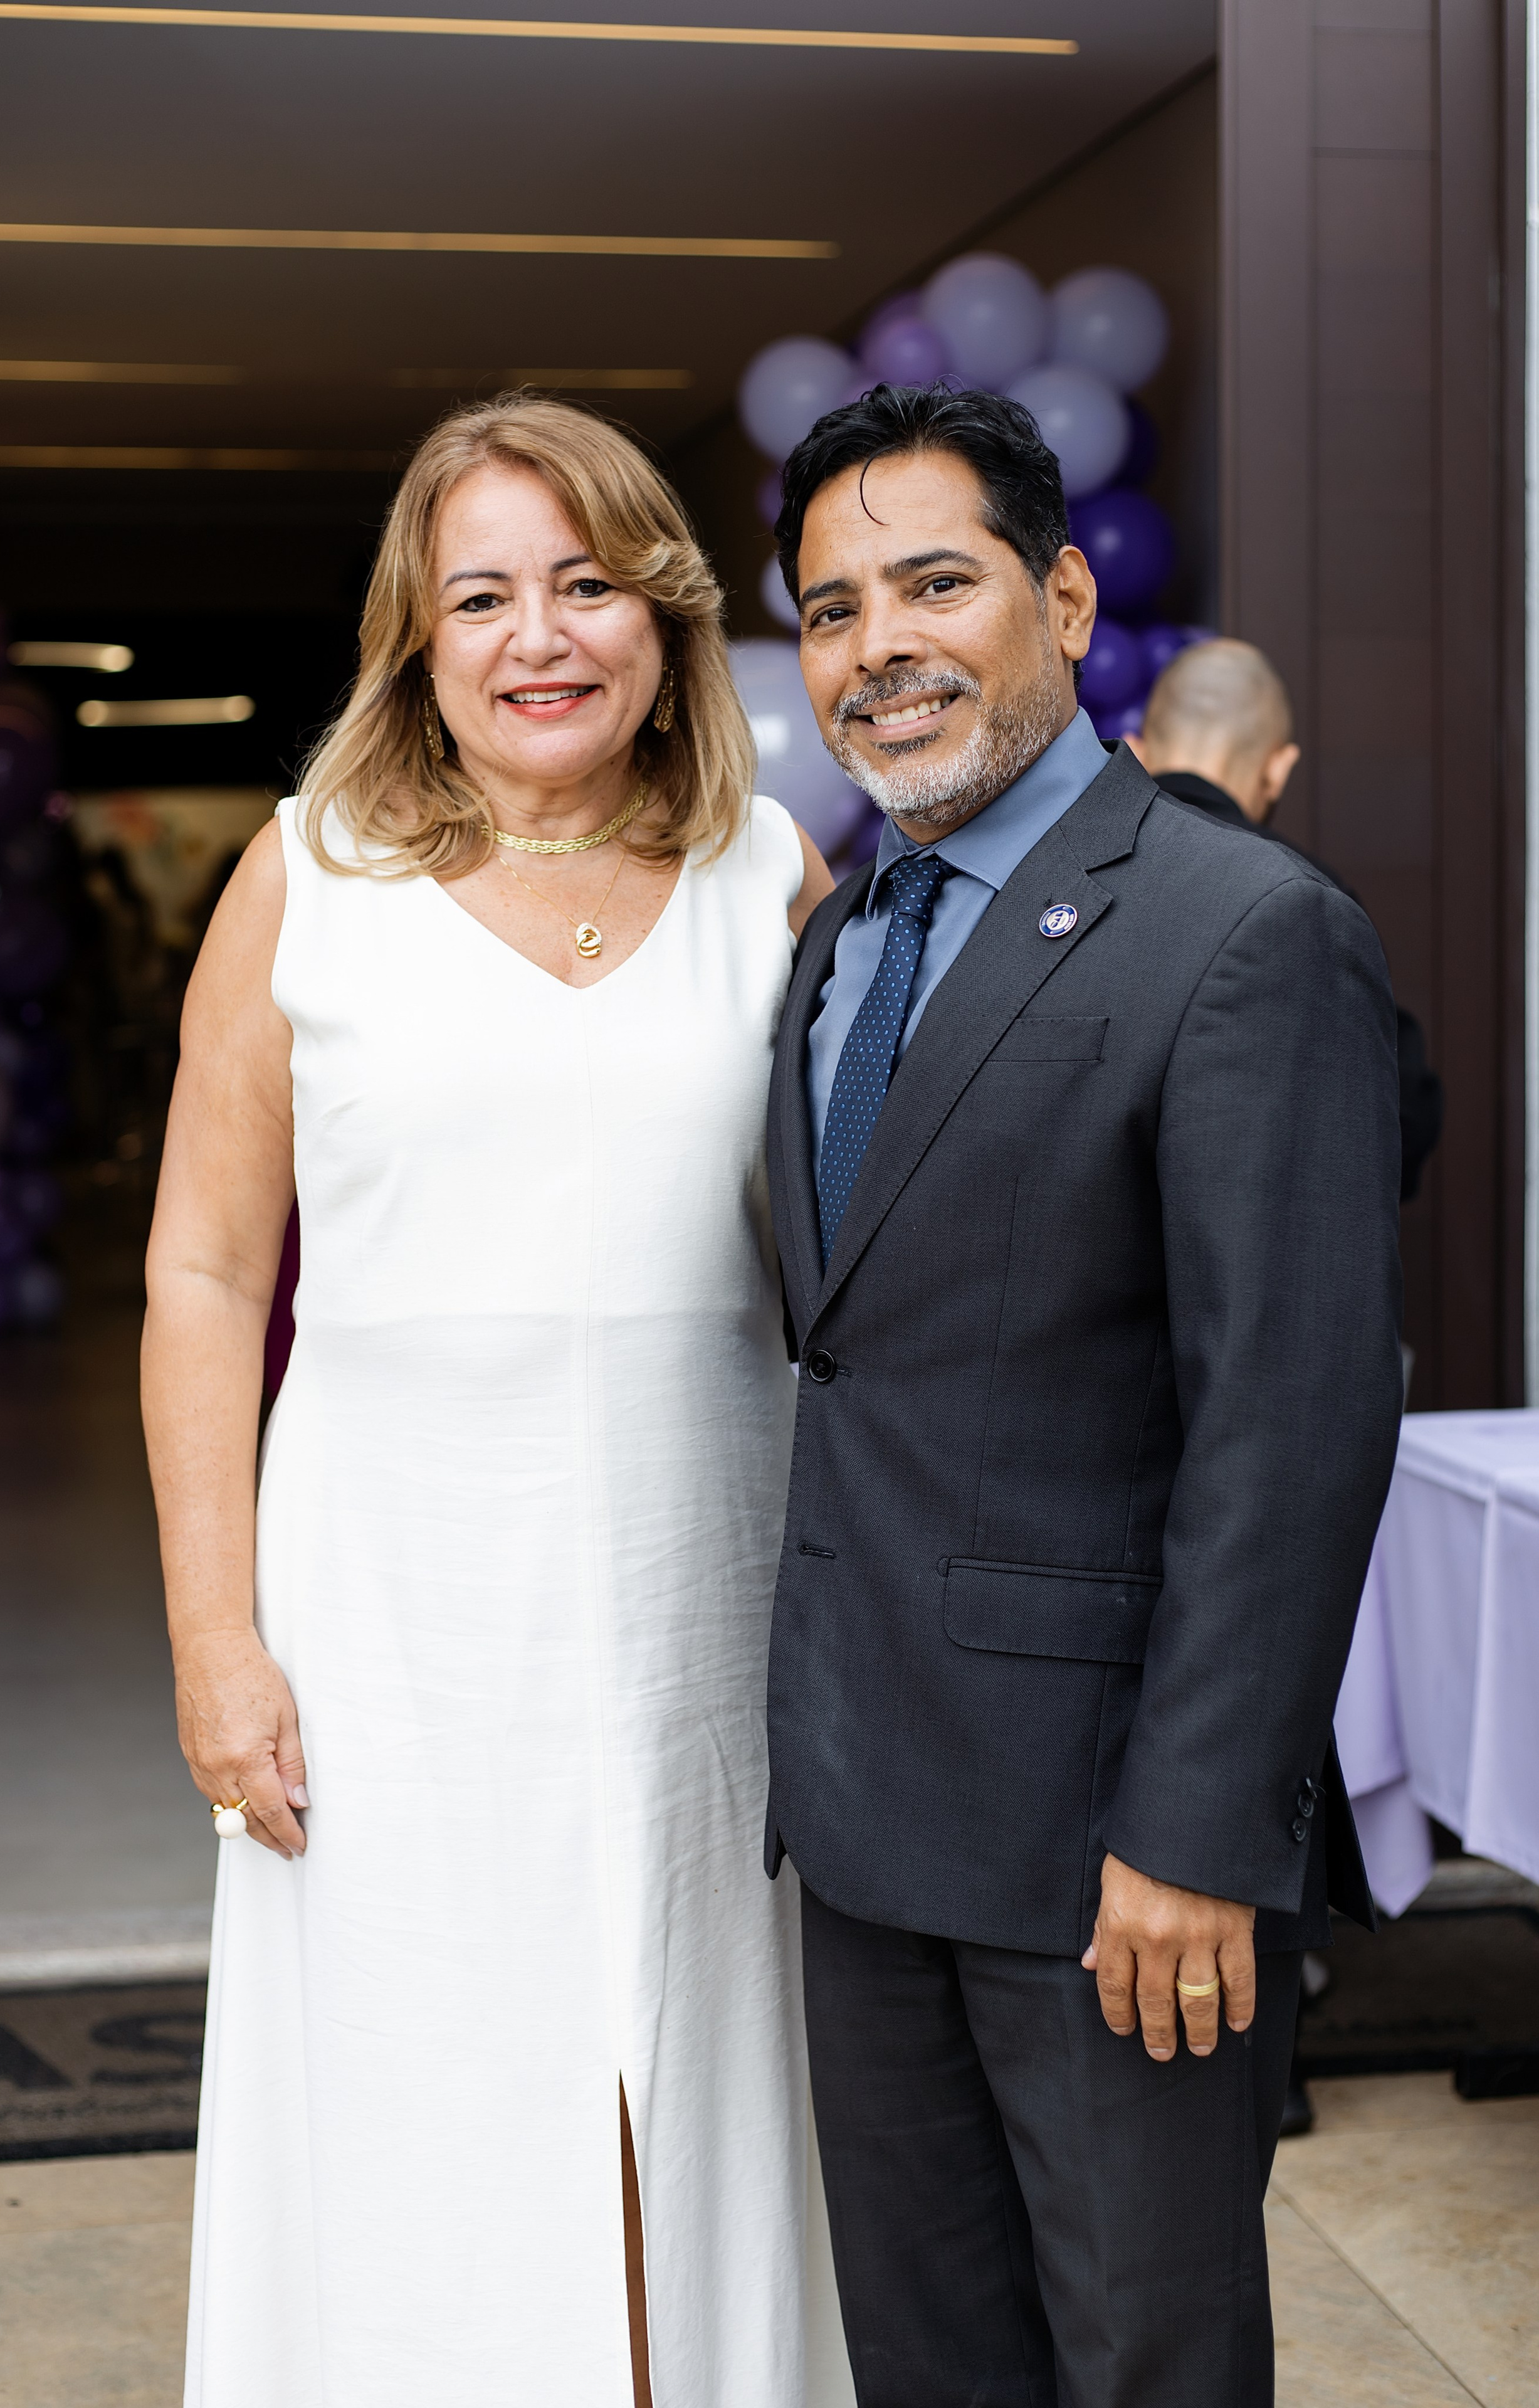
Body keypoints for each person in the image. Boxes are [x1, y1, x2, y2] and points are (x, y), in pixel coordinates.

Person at [142, 393, 836, 2408]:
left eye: (587, 582)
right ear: (415, 640)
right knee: (417, 2102)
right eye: (483, 595)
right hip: (391, 1628)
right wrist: (213, 1636)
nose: (541, 633)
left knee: (697, 2096)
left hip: (710, 1618)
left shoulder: (764, 875)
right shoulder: (306, 878)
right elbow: (200, 1269)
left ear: (666, 620)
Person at [761, 383, 1402, 2407]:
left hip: (1113, 1867)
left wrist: (1201, 1833)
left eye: (935, 583)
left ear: (1061, 590)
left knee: (1148, 2369)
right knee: (935, 2368)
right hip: (864, 1836)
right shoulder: (842, 939)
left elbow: (1292, 1423)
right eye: (836, 609)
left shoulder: (1245, 935)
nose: (882, 649)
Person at [1129, 636, 1443, 1201]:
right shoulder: (1307, 894)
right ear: (1280, 767)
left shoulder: (1064, 879)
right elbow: (1400, 1119)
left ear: (1136, 748)